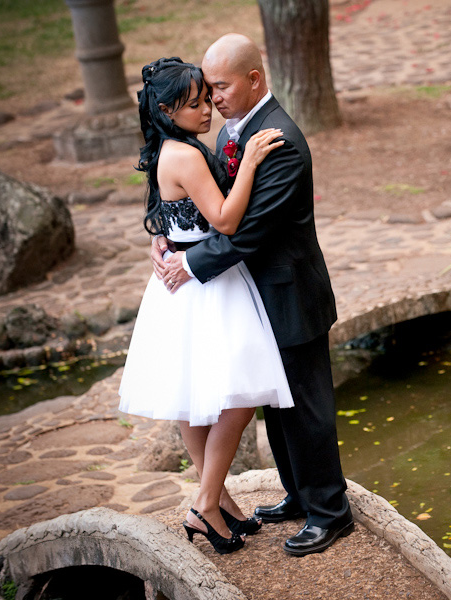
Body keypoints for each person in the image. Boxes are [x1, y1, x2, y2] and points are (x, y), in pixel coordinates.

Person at [151, 34, 354, 556]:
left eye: (219, 87)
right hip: (250, 296)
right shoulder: (229, 134)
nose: (213, 98)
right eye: (207, 90)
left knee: (306, 407)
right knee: (275, 403)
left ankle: (330, 512)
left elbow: (247, 231)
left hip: (289, 293)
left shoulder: (279, 139)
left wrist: (188, 264)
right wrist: (167, 237)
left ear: (253, 80)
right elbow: (204, 202)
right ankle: (297, 495)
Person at [118, 56, 289, 555]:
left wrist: (164, 241)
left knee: (194, 399)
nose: (208, 108)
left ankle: (223, 506)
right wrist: (251, 162)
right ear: (168, 111)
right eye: (194, 103)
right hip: (206, 286)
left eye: (206, 97)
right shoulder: (188, 156)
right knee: (238, 398)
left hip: (182, 280)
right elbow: (226, 220)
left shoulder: (170, 150)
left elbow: (172, 214)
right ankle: (205, 504)